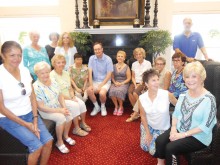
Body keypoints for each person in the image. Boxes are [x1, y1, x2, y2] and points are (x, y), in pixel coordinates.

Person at [0, 41, 53, 164]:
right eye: (12, 55)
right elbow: (1, 108)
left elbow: (32, 96)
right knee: (37, 147)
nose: (17, 59)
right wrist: (25, 124)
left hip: (29, 113)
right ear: (3, 55)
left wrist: (35, 118)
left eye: (19, 55)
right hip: (9, 118)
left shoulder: (24, 70)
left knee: (48, 142)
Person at [155, 61, 217, 165]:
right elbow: (176, 114)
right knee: (160, 141)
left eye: (194, 76)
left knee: (171, 148)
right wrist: (173, 129)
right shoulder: (184, 95)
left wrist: (182, 135)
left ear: (202, 78)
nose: (190, 80)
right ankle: (160, 163)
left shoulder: (209, 99)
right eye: (187, 77)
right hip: (180, 129)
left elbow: (205, 126)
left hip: (198, 136)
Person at [33, 61, 75, 154]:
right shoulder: (36, 87)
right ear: (37, 74)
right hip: (46, 111)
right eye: (42, 73)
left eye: (47, 72)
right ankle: (59, 142)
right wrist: (60, 110)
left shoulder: (53, 80)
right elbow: (41, 107)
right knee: (61, 117)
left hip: (56, 105)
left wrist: (64, 107)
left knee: (69, 114)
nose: (45, 75)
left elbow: (60, 95)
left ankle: (66, 136)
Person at [139, 69, 177, 164]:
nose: (157, 83)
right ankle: (147, 134)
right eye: (153, 80)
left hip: (162, 128)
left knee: (153, 151)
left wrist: (175, 124)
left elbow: (179, 106)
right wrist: (148, 133)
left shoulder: (166, 94)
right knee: (144, 147)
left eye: (157, 79)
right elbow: (143, 116)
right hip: (149, 126)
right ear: (146, 84)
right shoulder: (142, 98)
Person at [50, 54, 91, 136]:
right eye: (58, 62)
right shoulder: (51, 75)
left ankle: (82, 123)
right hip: (60, 99)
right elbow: (57, 93)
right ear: (54, 64)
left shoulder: (66, 73)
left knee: (82, 104)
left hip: (69, 96)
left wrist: (72, 96)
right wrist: (70, 99)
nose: (61, 64)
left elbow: (70, 88)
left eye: (62, 62)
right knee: (75, 105)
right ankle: (76, 129)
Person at [87, 42, 113, 116]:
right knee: (89, 90)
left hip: (105, 81)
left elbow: (109, 75)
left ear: (102, 49)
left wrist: (101, 85)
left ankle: (103, 106)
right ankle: (96, 107)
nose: (97, 51)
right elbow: (90, 72)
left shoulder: (108, 59)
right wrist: (91, 85)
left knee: (102, 93)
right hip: (95, 81)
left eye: (99, 49)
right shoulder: (91, 58)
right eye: (95, 49)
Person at [126, 48, 151, 122]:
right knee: (129, 92)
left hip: (144, 82)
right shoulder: (134, 64)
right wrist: (135, 84)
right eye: (136, 54)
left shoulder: (148, 63)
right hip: (135, 82)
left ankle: (139, 111)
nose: (138, 55)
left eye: (140, 54)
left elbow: (148, 75)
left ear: (143, 55)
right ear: (135, 56)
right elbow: (133, 76)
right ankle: (137, 112)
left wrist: (141, 83)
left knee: (135, 93)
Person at [109, 50, 131, 116]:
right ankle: (116, 106)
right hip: (115, 82)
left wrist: (121, 83)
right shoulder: (113, 66)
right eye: (119, 56)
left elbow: (129, 78)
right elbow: (112, 77)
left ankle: (121, 107)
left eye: (122, 56)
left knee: (119, 91)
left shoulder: (127, 67)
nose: (120, 57)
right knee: (112, 91)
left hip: (124, 83)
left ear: (124, 58)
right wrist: (115, 82)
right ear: (116, 57)